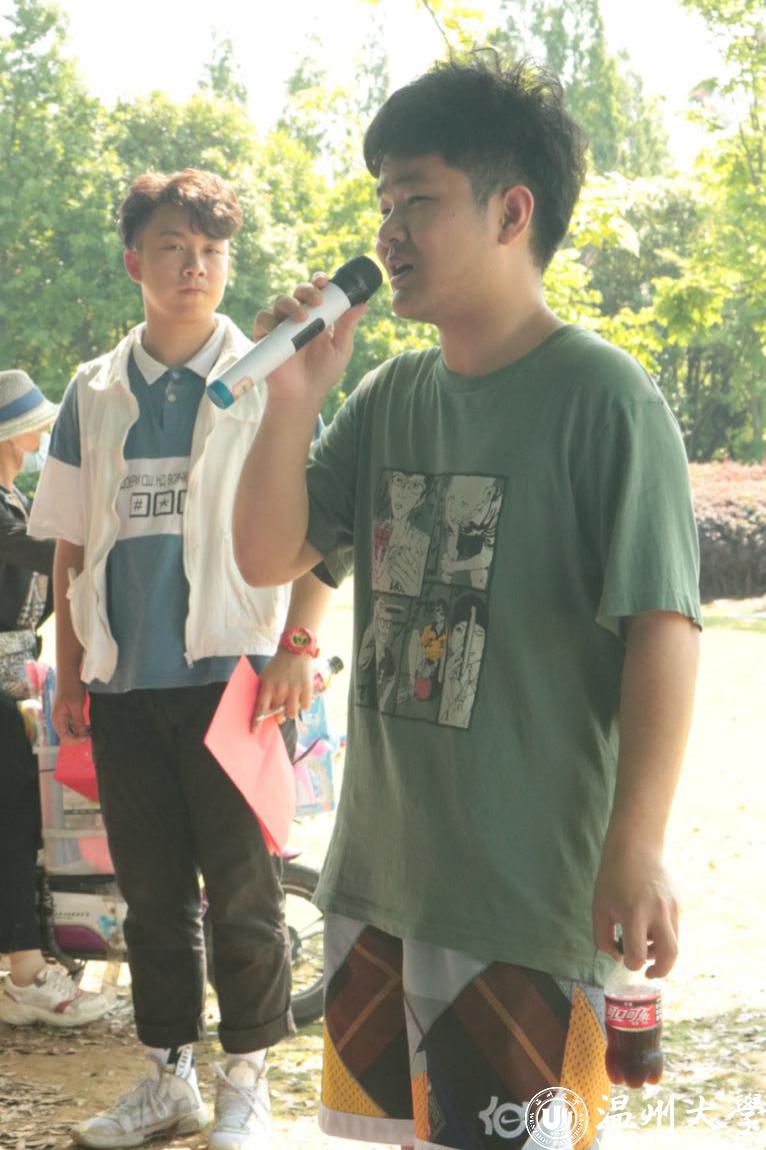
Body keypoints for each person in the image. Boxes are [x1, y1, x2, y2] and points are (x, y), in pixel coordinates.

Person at [232, 58, 702, 1150]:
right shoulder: (388, 395)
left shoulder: (605, 399)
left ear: (511, 212)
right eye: (382, 202)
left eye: (418, 198)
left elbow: (663, 631)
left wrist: (636, 844)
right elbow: (267, 555)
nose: (389, 231)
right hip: (382, 883)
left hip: (523, 898)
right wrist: (291, 401)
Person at [28, 169, 332, 1150]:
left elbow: (320, 524)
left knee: (245, 895)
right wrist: (72, 667)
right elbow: (73, 541)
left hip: (233, 682)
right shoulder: (92, 391)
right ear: (134, 262)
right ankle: (170, 1078)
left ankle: (247, 1082)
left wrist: (296, 644)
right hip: (124, 685)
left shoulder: (271, 376)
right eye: (172, 246)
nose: (194, 266)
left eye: (211, 250)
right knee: (152, 901)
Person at [0, 369, 111, 1028]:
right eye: (37, 424)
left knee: (19, 822)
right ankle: (25, 973)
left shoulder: (14, 501)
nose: (46, 433)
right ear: (14, 435)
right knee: (12, 825)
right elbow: (51, 554)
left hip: (12, 688)